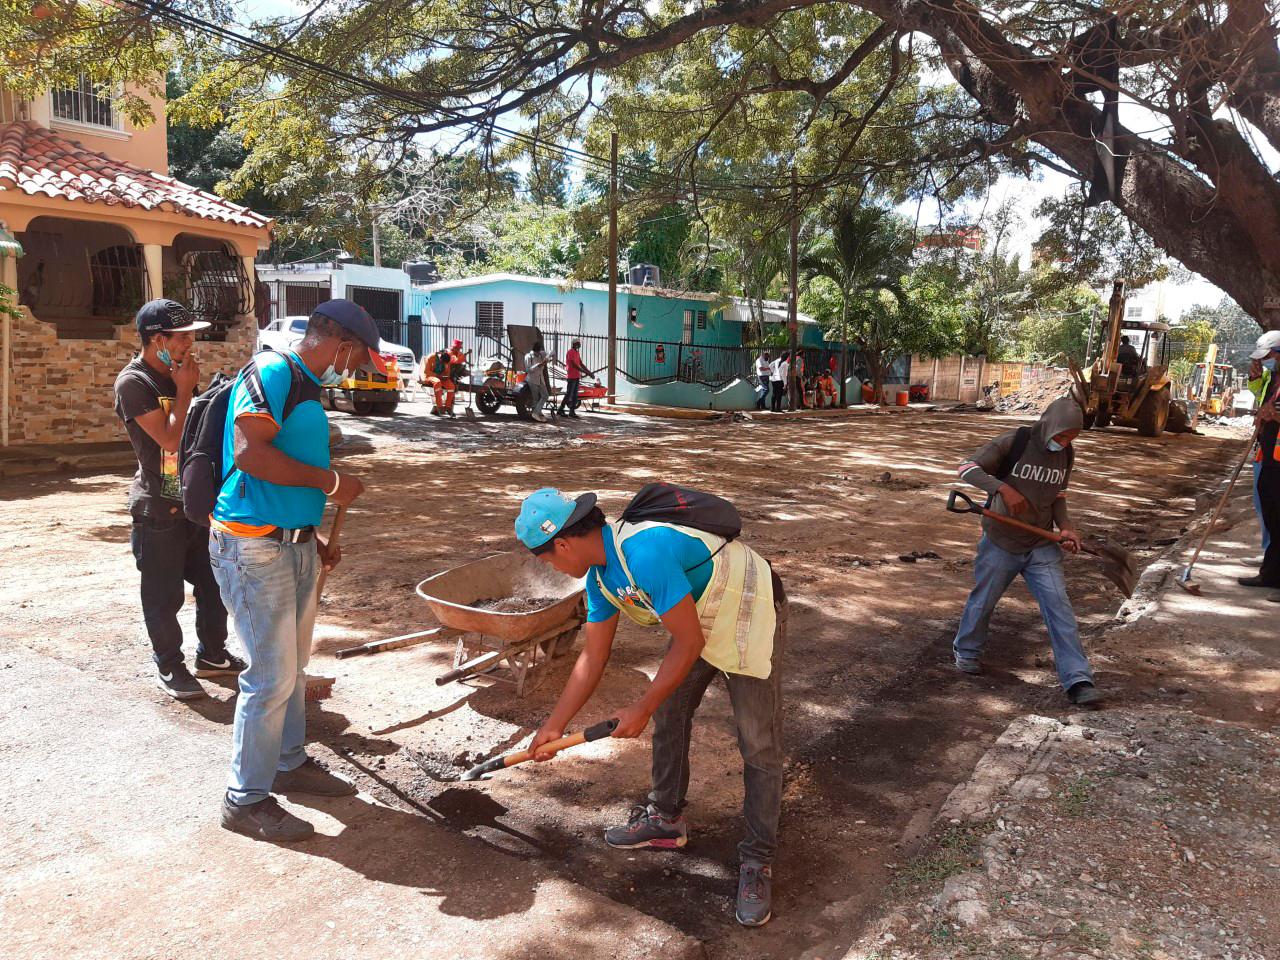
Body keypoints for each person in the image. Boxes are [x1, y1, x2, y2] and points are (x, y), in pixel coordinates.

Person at [515, 488, 787, 927]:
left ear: (563, 544)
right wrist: (554, 726)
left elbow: (689, 642)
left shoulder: (644, 552)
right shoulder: (600, 577)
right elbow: (593, 656)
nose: (551, 567)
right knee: (670, 713)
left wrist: (640, 704)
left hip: (746, 606)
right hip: (696, 615)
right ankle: (665, 818)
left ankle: (757, 860)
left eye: (547, 559)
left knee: (758, 743)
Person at [210, 299, 378, 842]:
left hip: (293, 544)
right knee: (270, 675)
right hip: (253, 544)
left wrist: (314, 534)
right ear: (341, 342)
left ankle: (289, 761)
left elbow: (286, 470)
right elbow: (250, 455)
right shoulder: (272, 371)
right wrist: (331, 485)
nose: (353, 371)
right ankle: (245, 798)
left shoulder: (306, 382)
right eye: (357, 359)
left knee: (295, 667)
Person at [114, 299, 243, 700]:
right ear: (158, 340)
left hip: (192, 501)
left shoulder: (176, 373)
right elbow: (170, 439)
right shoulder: (133, 383)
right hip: (158, 508)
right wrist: (186, 390)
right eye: (183, 336)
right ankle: (170, 666)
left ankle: (213, 655)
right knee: (163, 593)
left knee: (213, 584)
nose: (191, 344)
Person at [952, 396, 1102, 705]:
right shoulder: (1015, 441)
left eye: (1072, 436)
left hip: (1040, 543)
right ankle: (967, 650)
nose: (1066, 441)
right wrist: (1002, 488)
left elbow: (1058, 495)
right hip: (1001, 539)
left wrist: (1066, 527)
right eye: (1062, 435)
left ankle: (1078, 678)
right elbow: (966, 468)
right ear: (1049, 425)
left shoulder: (1066, 454)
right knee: (984, 601)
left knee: (1059, 607)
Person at [1241, 331, 1280, 593]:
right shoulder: (1273, 377)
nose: (1266, 360)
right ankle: (1270, 575)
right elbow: (1262, 397)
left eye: (1269, 356)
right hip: (1270, 458)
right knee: (1272, 519)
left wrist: (1274, 415)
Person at [423, 339, 466, 417]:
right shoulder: (431, 357)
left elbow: (447, 372)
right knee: (437, 382)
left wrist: (446, 377)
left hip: (441, 377)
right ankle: (439, 406)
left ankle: (448, 407)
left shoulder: (447, 359)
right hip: (431, 377)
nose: (444, 364)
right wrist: (437, 376)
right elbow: (426, 372)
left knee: (451, 386)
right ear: (440, 358)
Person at [559, 339, 597, 417]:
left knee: (575, 395)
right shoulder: (570, 352)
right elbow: (574, 365)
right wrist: (586, 372)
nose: (580, 344)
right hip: (571, 376)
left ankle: (571, 411)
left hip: (576, 376)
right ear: (574, 343)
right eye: (578, 343)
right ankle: (561, 409)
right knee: (569, 394)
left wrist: (589, 372)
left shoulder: (576, 352)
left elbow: (581, 364)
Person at [524, 340, 553, 422]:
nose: (538, 354)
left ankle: (536, 412)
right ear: (534, 350)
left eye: (539, 352)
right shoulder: (528, 356)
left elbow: (551, 352)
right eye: (537, 352)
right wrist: (539, 365)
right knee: (536, 398)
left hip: (541, 379)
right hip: (532, 380)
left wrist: (550, 356)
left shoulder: (541, 354)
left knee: (545, 395)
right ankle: (537, 414)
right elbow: (528, 370)